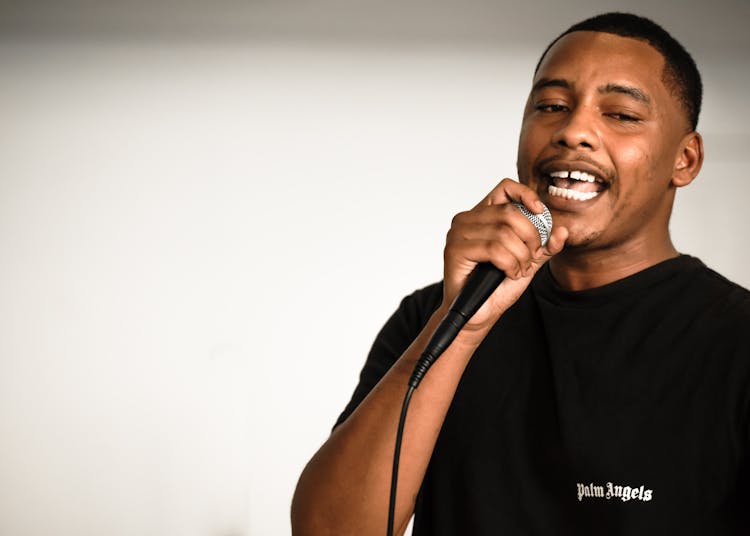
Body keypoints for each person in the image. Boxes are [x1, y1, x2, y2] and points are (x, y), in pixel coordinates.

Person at [291, 12, 750, 535]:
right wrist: (459, 328)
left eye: (620, 114)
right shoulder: (432, 317)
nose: (573, 131)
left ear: (685, 160)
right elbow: (330, 530)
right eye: (551, 106)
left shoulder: (734, 341)